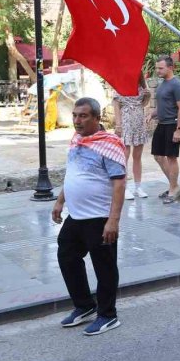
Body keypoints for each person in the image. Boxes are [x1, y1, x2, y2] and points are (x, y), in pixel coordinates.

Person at [53, 97, 125, 336]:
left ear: (96, 118)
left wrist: (113, 220)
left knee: (104, 267)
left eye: (83, 116)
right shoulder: (77, 140)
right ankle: (84, 306)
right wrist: (60, 201)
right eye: (75, 115)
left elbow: (119, 184)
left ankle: (108, 315)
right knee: (66, 255)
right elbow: (73, 174)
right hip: (76, 216)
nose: (77, 120)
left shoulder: (110, 144)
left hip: (100, 218)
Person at [151, 56, 180, 203]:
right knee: (158, 156)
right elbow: (162, 104)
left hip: (173, 125)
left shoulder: (177, 85)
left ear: (170, 68)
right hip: (162, 124)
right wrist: (152, 114)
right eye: (157, 67)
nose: (157, 70)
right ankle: (175, 186)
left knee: (171, 158)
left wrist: (179, 129)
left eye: (161, 68)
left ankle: (173, 190)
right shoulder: (162, 83)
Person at [113, 74, 150, 200]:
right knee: (125, 157)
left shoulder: (141, 85)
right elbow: (116, 106)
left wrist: (147, 95)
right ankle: (125, 187)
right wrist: (118, 125)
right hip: (126, 122)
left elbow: (143, 103)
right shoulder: (120, 86)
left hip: (139, 121)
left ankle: (138, 186)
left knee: (137, 156)